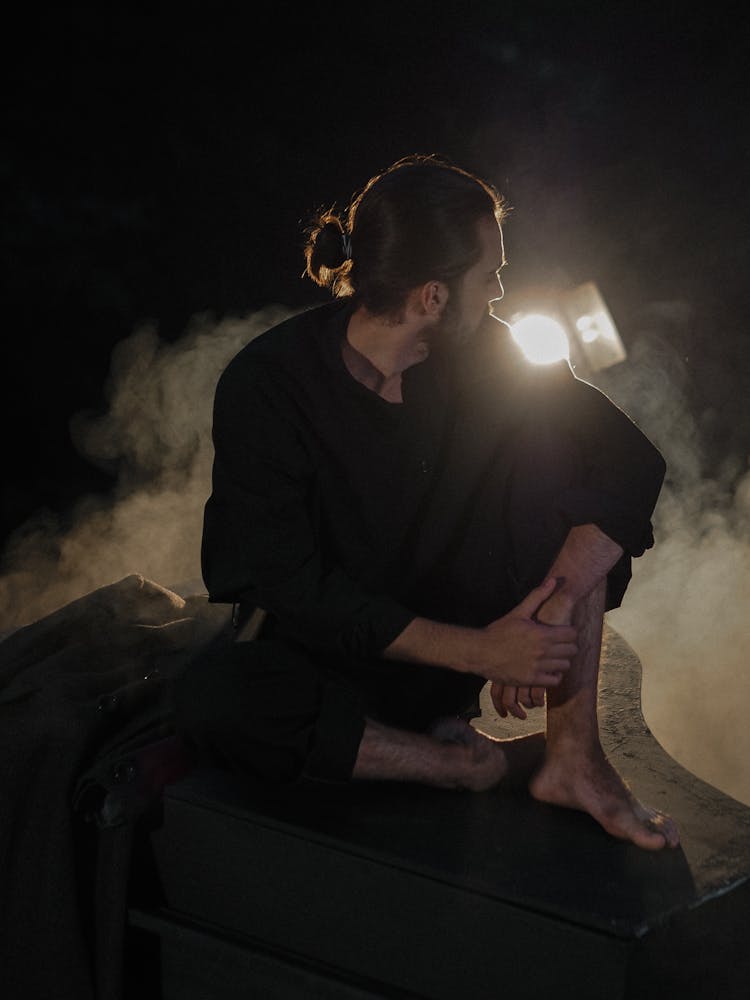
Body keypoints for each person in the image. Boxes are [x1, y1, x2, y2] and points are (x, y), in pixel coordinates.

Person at [175, 153, 679, 851]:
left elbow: (629, 461)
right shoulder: (269, 383)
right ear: (432, 296)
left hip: (448, 658)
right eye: (490, 276)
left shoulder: (486, 356)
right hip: (333, 673)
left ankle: (574, 759)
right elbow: (288, 583)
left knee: (577, 469)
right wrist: (482, 652)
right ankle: (460, 765)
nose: (500, 292)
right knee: (218, 701)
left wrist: (552, 608)